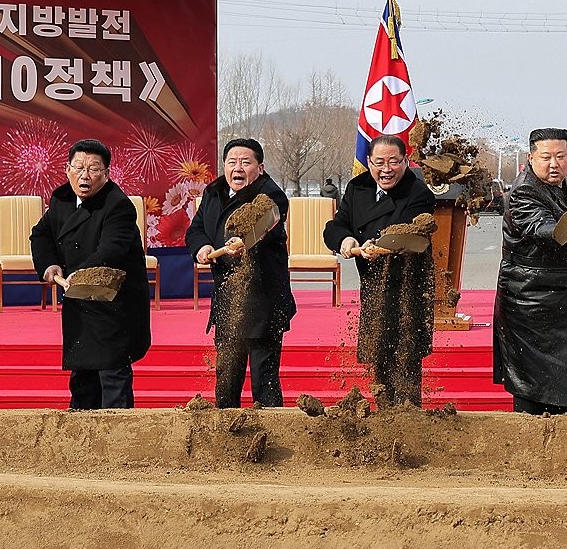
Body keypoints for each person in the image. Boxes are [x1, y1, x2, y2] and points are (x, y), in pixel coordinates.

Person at [30, 138, 151, 409]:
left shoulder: (118, 205)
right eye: (79, 167)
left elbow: (112, 250)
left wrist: (79, 275)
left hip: (112, 304)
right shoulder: (61, 199)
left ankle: (119, 444)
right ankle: (82, 445)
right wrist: (49, 265)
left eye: (94, 169)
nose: (85, 175)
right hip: (80, 305)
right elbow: (41, 234)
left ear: (106, 174)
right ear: (67, 169)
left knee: (112, 379)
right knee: (83, 379)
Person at [493, 127, 567, 415]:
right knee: (532, 388)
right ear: (530, 157)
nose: (554, 164)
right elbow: (538, 225)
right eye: (546, 157)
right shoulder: (523, 190)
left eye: (560, 156)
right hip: (530, 299)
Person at [323, 135, 436, 406]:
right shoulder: (357, 187)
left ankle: (409, 417)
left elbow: (409, 234)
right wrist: (346, 240)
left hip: (409, 285)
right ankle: (384, 414)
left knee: (406, 355)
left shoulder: (418, 192)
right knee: (380, 353)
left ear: (406, 162)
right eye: (379, 162)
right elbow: (337, 225)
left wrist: (378, 245)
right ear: (369, 163)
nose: (386, 169)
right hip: (375, 284)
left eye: (394, 162)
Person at [185, 138, 296, 409]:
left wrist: (244, 241)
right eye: (232, 162)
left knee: (264, 376)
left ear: (260, 167)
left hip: (263, 297)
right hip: (228, 299)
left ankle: (272, 432)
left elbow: (266, 222)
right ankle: (226, 429)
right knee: (227, 376)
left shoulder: (271, 195)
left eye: (246, 162)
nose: (238, 168)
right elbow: (195, 229)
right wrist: (202, 246)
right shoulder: (213, 193)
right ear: (224, 166)